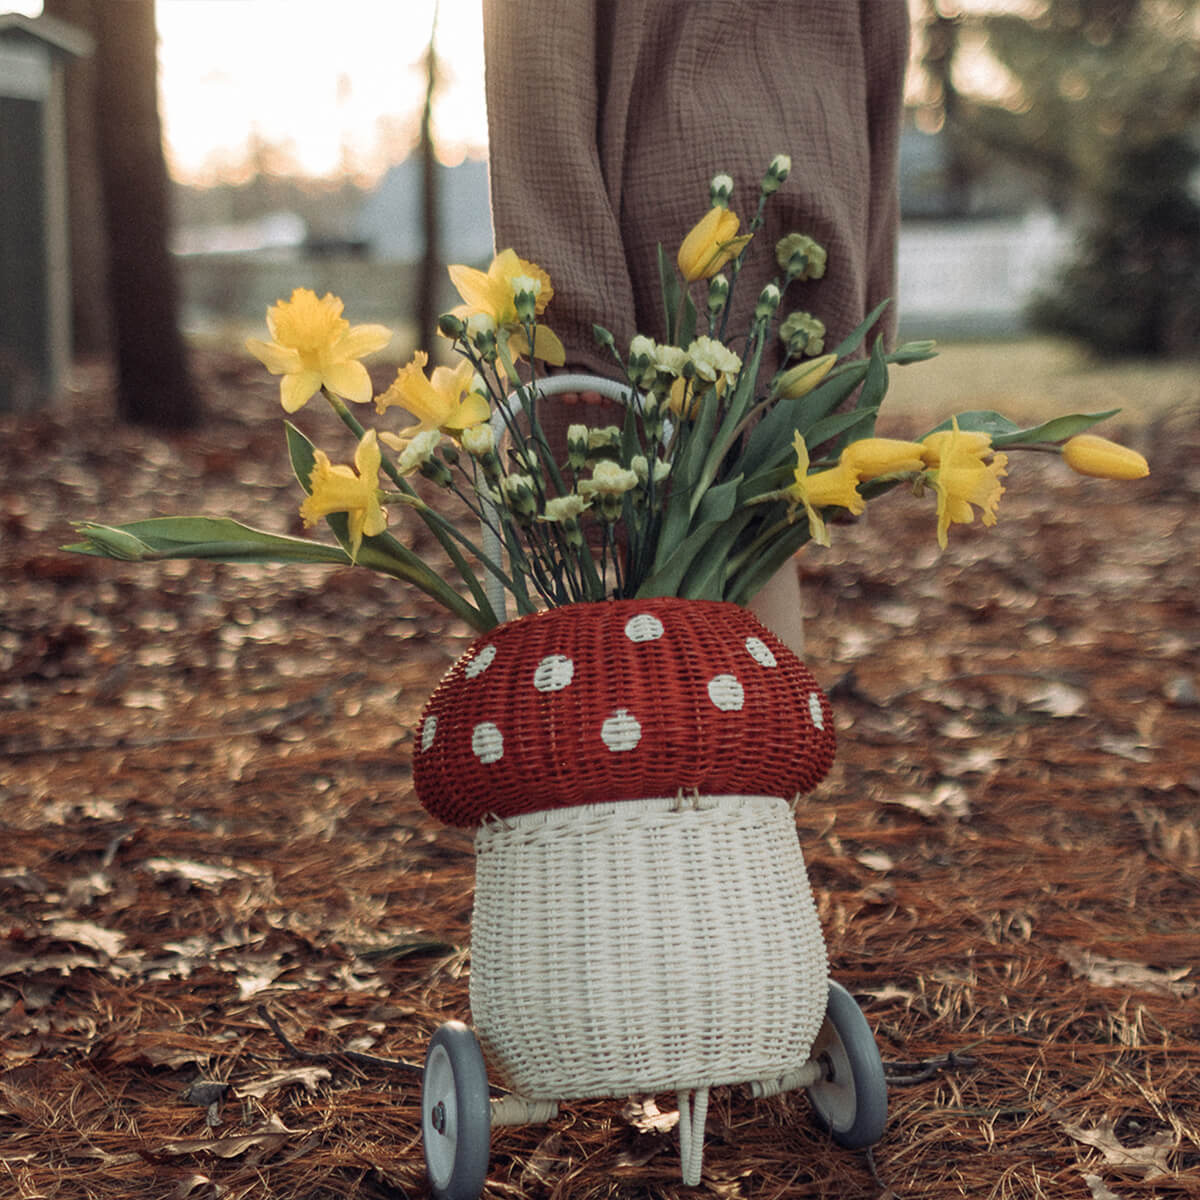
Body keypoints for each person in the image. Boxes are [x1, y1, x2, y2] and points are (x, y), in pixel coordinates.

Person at [481, 0, 910, 654]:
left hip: (674, 200)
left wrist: (568, 324)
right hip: (811, 181)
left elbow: (540, 61)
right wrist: (869, 328)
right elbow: (884, 54)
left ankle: (696, 748)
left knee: (716, 529)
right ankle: (740, 746)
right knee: (746, 526)